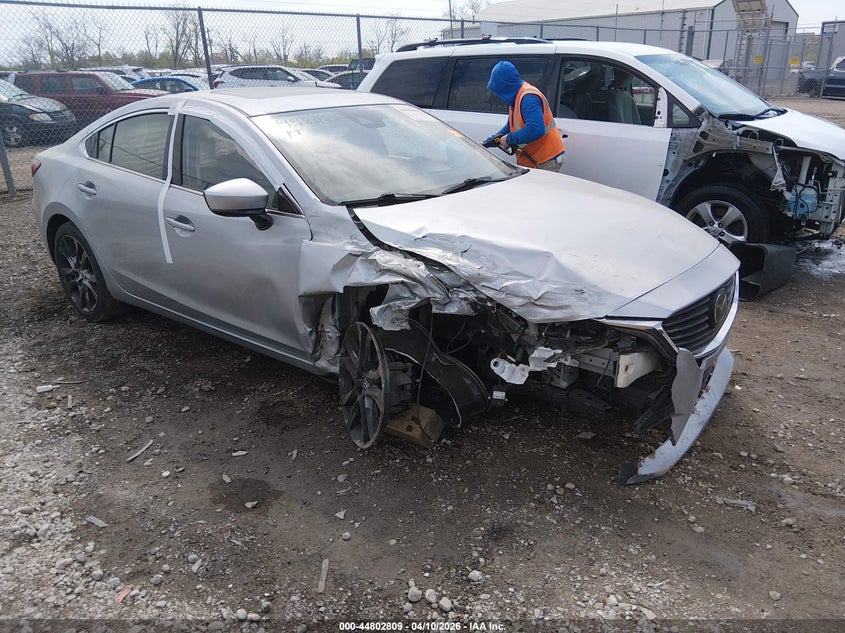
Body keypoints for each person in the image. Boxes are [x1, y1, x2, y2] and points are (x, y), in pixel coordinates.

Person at [484, 61, 565, 172]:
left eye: (499, 91)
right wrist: (487, 143)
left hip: (546, 159)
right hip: (535, 160)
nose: (498, 96)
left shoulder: (528, 98)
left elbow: (535, 129)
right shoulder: (516, 97)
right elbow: (510, 126)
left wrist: (509, 139)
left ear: (505, 86)